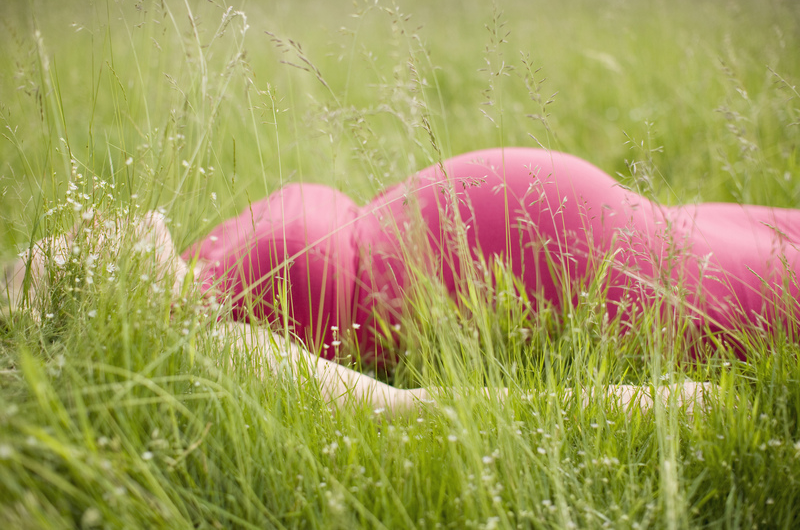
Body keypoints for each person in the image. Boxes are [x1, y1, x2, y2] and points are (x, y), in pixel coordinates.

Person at [12, 147, 795, 415]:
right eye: (57, 262)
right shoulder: (209, 349)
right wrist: (654, 404)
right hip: (635, 284)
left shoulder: (177, 265)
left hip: (658, 227)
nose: (76, 235)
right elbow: (403, 414)